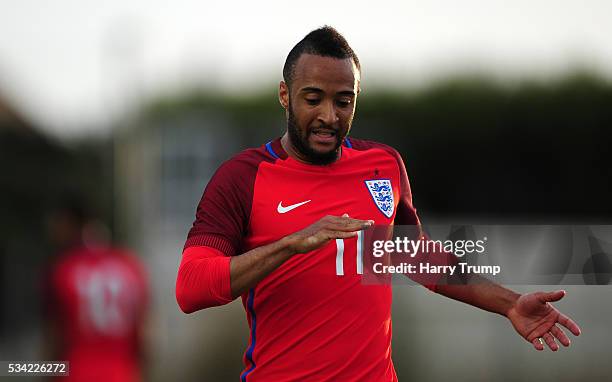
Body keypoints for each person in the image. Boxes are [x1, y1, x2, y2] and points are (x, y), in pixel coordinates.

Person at [175, 26, 581, 381]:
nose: (329, 116)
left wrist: (510, 304)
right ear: (285, 95)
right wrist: (291, 244)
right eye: (313, 99)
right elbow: (190, 289)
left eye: (343, 101)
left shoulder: (383, 165)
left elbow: (416, 256)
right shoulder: (243, 177)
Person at [45, 195, 149, 382]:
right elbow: (146, 337)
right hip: (123, 375)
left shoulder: (63, 270)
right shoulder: (131, 267)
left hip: (76, 373)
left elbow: (53, 340)